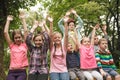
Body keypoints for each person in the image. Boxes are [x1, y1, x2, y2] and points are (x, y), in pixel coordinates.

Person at [4, 12, 28, 80]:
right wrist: (8, 20)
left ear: (22, 37)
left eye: (19, 37)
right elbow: (5, 33)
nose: (18, 39)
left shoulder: (25, 45)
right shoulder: (12, 46)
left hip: (22, 71)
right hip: (11, 71)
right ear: (13, 39)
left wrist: (23, 19)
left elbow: (26, 31)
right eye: (16, 38)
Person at [49, 16, 69, 80]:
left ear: (61, 38)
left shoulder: (64, 47)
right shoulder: (52, 48)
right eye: (55, 38)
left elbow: (66, 35)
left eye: (59, 37)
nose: (57, 38)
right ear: (53, 39)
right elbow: (50, 35)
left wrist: (65, 23)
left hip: (63, 70)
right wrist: (51, 23)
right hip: (53, 71)